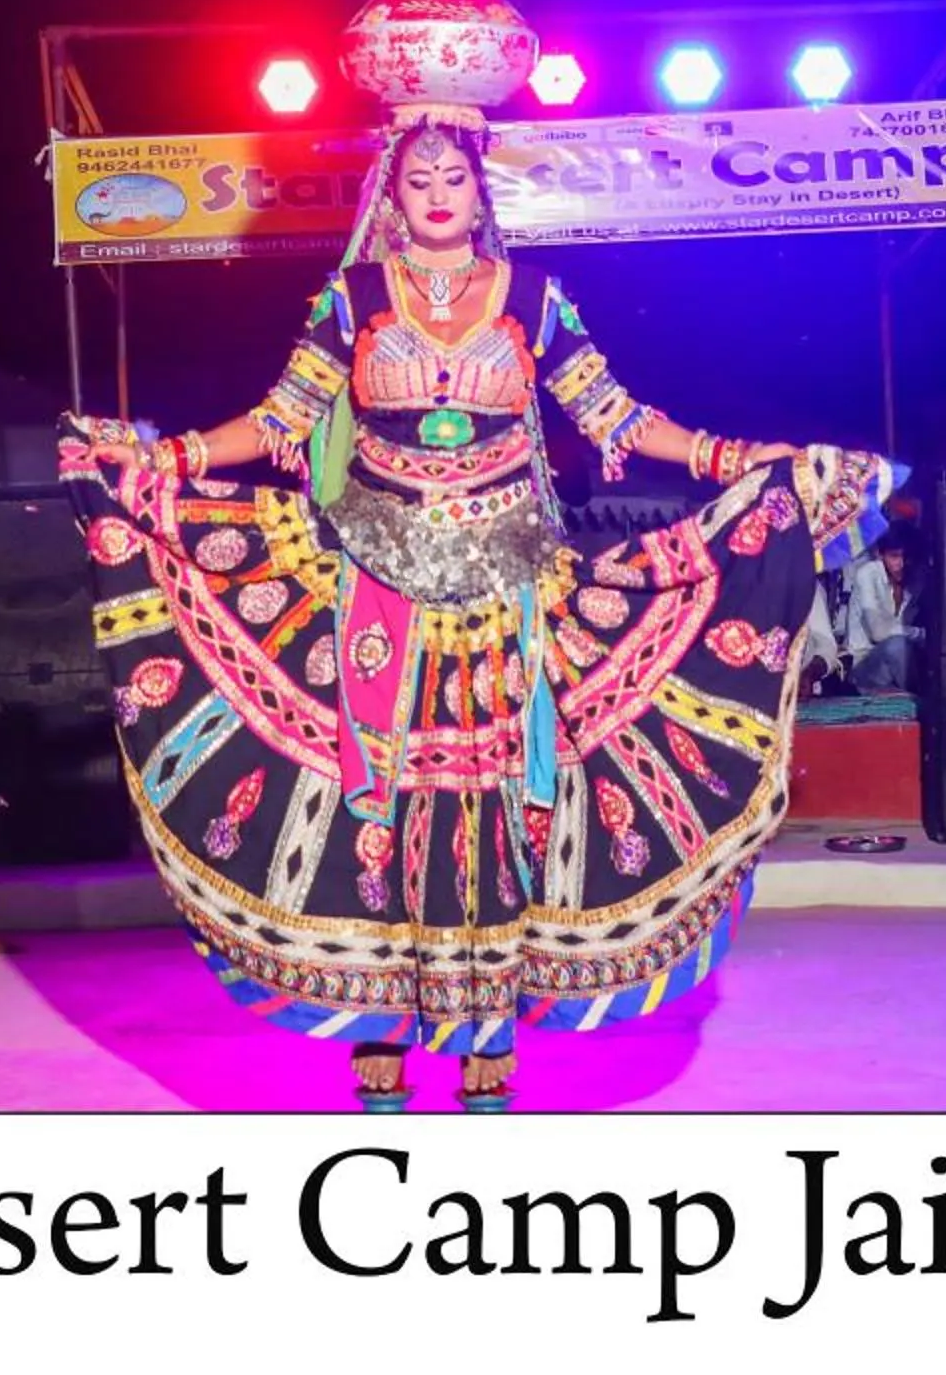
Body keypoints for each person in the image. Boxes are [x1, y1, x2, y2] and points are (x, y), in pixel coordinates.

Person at [66, 110, 893, 1111]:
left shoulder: (535, 299)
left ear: (479, 187)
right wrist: (163, 459)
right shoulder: (354, 298)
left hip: (509, 588)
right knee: (374, 791)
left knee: (501, 798)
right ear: (395, 195)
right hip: (377, 582)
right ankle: (376, 1025)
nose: (438, 191)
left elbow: (619, 419)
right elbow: (281, 419)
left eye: (453, 174)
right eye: (418, 179)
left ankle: (487, 1040)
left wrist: (745, 459)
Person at [838, 521, 929, 695]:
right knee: (898, 646)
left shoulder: (917, 579)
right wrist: (920, 634)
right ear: (880, 555)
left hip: (903, 665)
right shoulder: (867, 574)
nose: (901, 564)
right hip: (865, 667)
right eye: (894, 556)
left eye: (906, 557)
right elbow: (878, 632)